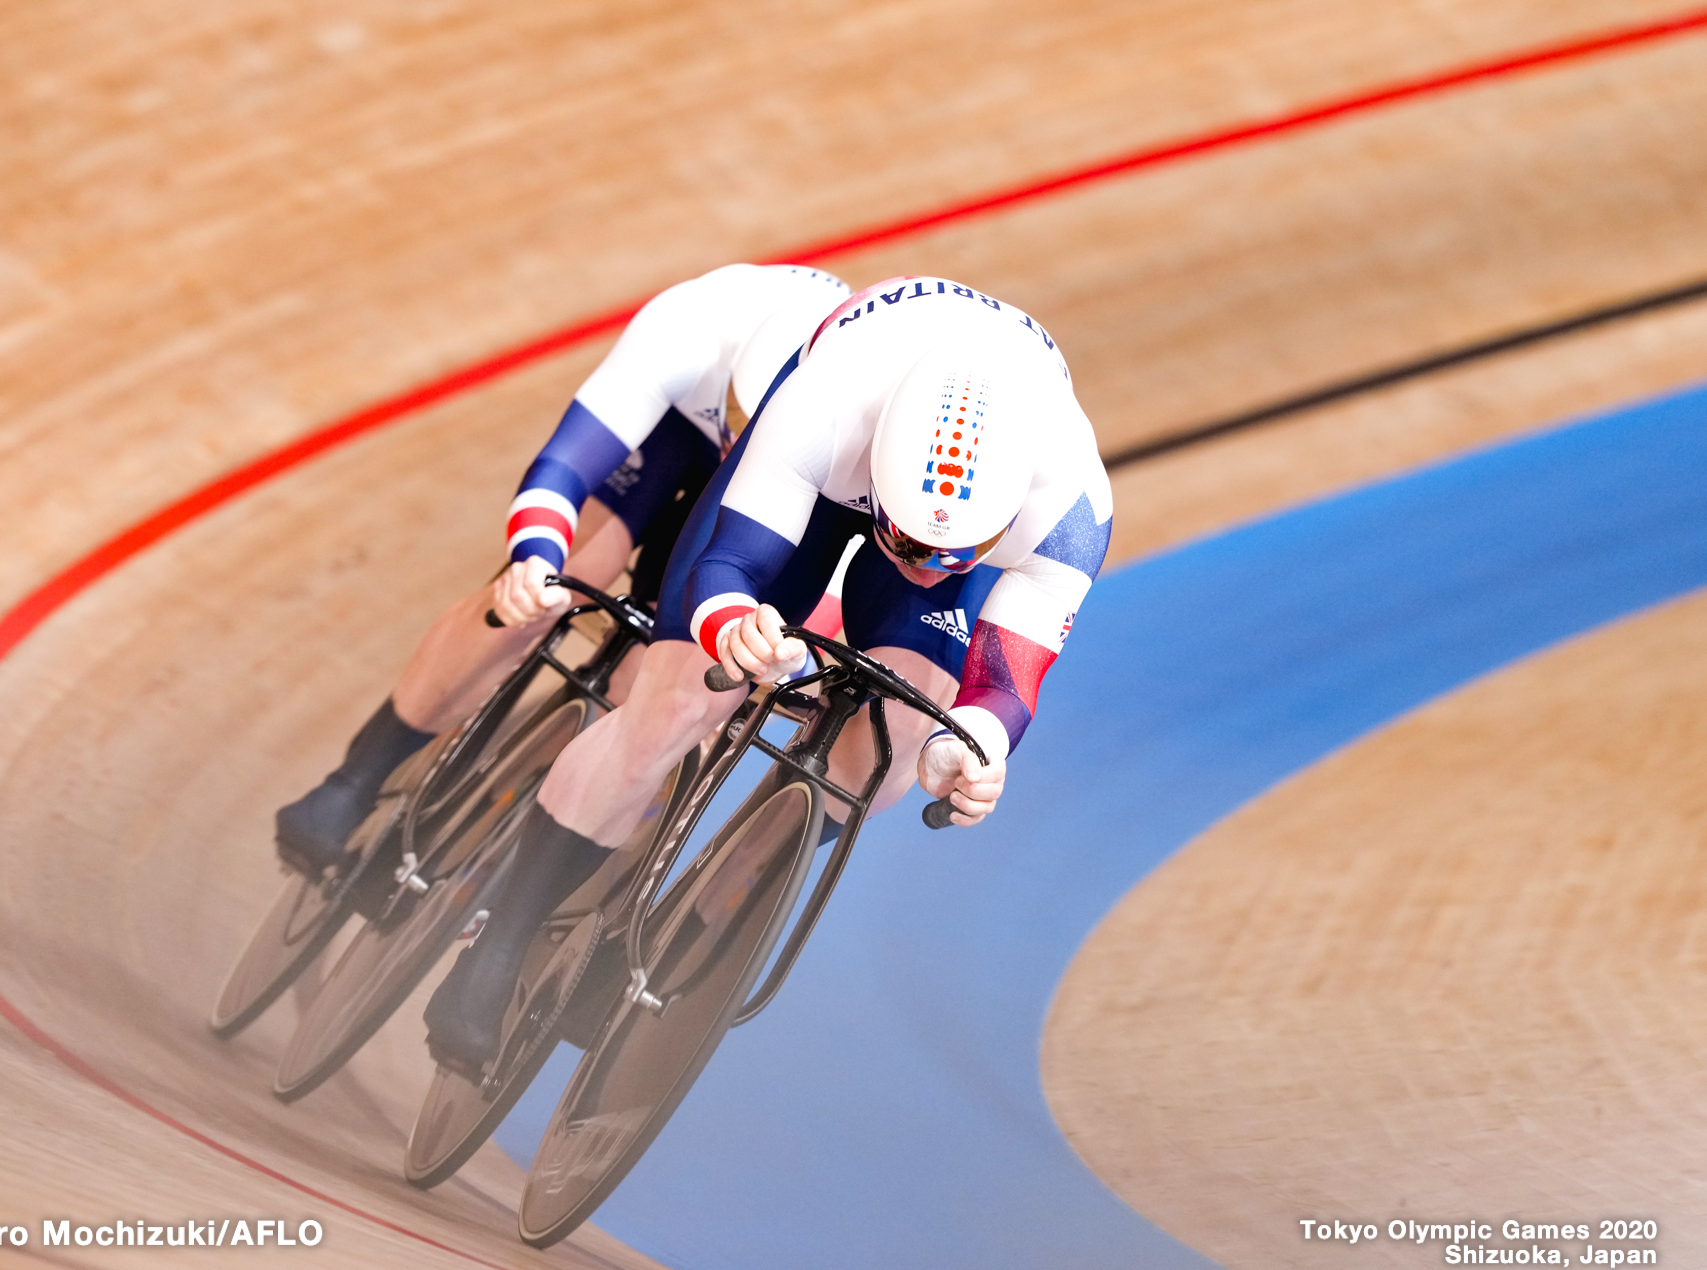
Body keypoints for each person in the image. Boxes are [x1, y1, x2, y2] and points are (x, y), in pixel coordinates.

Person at [423, 274, 1115, 1074]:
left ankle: (692, 922)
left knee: (891, 758)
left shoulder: (1068, 511)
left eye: (950, 558)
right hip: (820, 479)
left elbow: (1005, 685)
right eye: (910, 546)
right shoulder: (823, 408)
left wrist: (982, 750)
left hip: (933, 483)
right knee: (674, 702)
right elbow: (728, 565)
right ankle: (498, 945)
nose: (927, 571)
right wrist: (731, 629)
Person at [273, 264, 850, 877]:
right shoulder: (696, 326)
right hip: (678, 433)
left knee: (682, 689)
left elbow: (812, 602)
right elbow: (563, 470)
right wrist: (534, 561)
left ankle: (538, 869)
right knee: (558, 580)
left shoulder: (846, 445)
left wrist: (755, 651)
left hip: (785, 496)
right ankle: (355, 780)